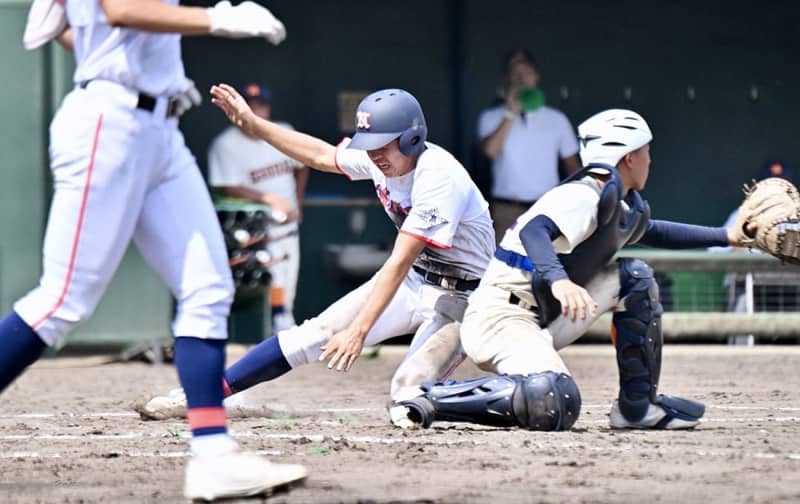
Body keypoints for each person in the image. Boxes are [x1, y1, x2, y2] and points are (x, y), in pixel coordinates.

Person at [4, 0, 307, 500]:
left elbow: (61, 27)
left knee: (209, 288)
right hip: (110, 122)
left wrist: (150, 71)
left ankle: (213, 455)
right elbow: (120, 8)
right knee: (62, 300)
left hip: (159, 127)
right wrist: (219, 20)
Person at [141, 85, 495, 426]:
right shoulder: (383, 160)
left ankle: (506, 396)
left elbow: (398, 261)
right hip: (417, 279)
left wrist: (359, 330)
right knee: (313, 335)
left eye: (382, 145)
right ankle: (203, 394)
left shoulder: (439, 177)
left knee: (406, 397)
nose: (374, 154)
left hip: (464, 297)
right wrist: (255, 125)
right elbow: (320, 155)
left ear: (411, 138)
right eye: (369, 145)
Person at [396, 109, 749, 432]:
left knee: (634, 277)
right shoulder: (583, 194)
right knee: (553, 399)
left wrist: (731, 235)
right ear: (629, 157)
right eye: (646, 152)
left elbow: (655, 231)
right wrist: (560, 280)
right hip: (501, 317)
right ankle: (428, 398)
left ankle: (636, 409)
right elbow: (536, 231)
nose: (649, 160)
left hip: (542, 312)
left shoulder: (615, 201)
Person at [208, 82, 309, 331]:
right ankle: (273, 324)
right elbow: (227, 186)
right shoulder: (226, 143)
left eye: (261, 105)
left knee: (288, 275)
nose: (256, 111)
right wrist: (267, 199)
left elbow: (303, 165)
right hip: (250, 225)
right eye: (250, 105)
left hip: (286, 221)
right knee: (266, 277)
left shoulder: (282, 131)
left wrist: (298, 200)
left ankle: (282, 321)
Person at [478, 48, 581, 243]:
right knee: (506, 270)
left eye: (526, 73)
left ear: (536, 77)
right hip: (507, 210)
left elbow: (573, 168)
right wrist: (510, 113)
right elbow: (490, 151)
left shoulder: (557, 119)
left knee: (549, 268)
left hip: (548, 208)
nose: (521, 80)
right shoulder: (491, 117)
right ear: (506, 80)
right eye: (515, 75)